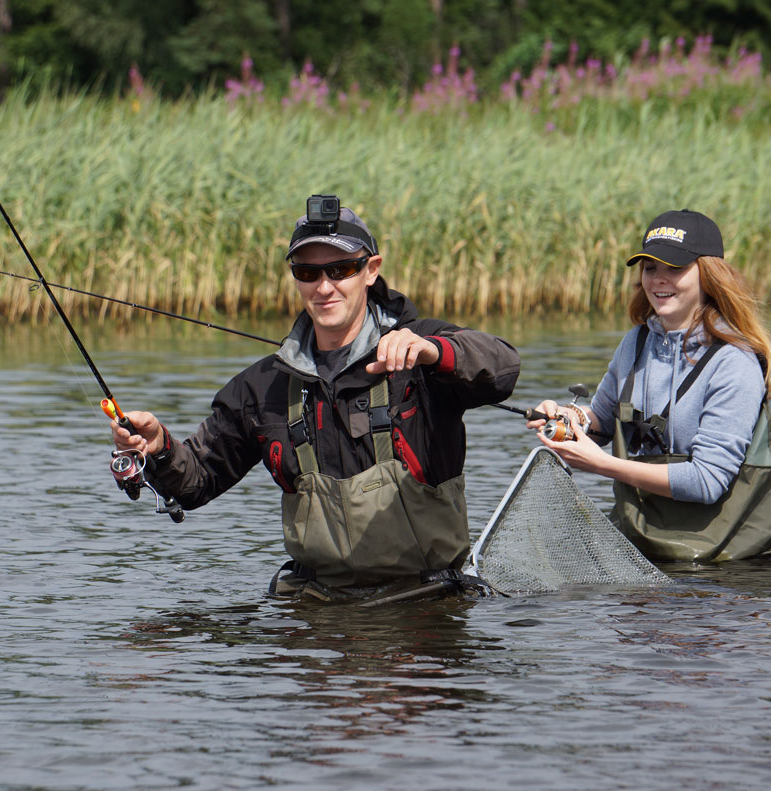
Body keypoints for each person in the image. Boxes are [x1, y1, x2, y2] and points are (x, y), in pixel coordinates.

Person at [111, 195, 521, 599]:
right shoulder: (262, 387)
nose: (324, 287)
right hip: (316, 613)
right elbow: (196, 481)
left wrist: (434, 352)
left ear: (371, 270)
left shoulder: (424, 350)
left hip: (426, 608)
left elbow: (502, 368)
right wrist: (159, 448)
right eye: (307, 272)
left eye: (340, 269)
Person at [529, 209, 771, 562]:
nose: (659, 280)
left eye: (675, 268)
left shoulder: (734, 362)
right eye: (650, 268)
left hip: (721, 569)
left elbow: (707, 482)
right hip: (644, 546)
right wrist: (569, 418)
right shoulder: (636, 341)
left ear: (709, 276)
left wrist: (600, 464)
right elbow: (601, 420)